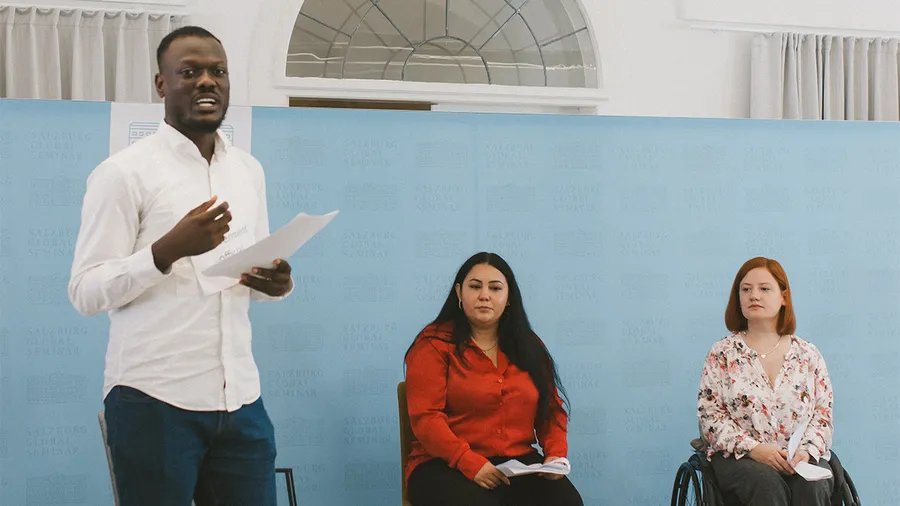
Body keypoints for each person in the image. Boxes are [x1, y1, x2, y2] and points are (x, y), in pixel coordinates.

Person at [68, 26, 293, 506]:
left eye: (218, 72)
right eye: (189, 72)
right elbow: (85, 291)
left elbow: (252, 270)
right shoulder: (122, 173)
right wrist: (164, 252)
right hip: (154, 401)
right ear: (161, 84)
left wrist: (274, 282)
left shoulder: (248, 170)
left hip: (241, 400)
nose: (207, 81)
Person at [403, 252, 584, 506]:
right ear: (459, 292)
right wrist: (469, 462)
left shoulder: (529, 346)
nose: (484, 295)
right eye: (475, 286)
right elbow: (426, 419)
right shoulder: (433, 345)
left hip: (516, 464)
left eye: (495, 288)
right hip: (444, 464)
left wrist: (555, 455)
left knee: (567, 501)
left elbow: (551, 410)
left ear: (508, 297)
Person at [697, 257, 834, 506]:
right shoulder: (722, 354)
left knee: (812, 486)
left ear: (783, 297)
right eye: (746, 289)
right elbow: (711, 416)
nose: (754, 296)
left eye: (764, 288)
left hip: (798, 457)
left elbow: (822, 416)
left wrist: (806, 452)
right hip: (740, 458)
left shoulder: (807, 354)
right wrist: (754, 449)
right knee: (766, 484)